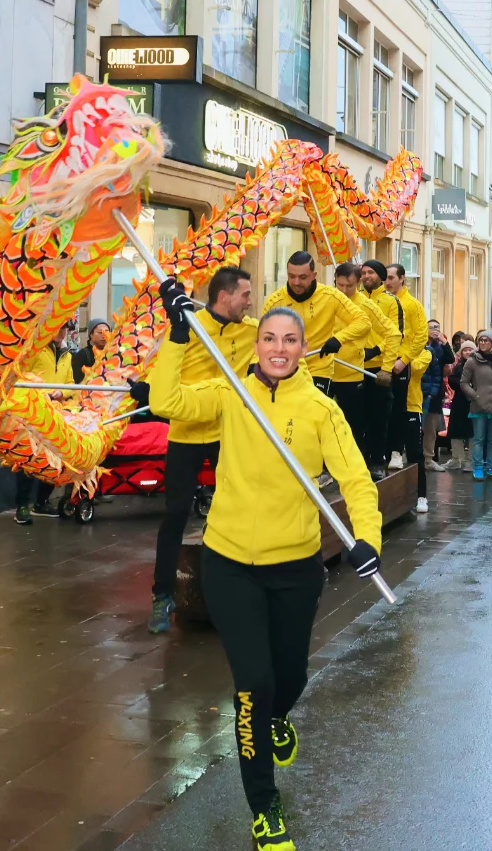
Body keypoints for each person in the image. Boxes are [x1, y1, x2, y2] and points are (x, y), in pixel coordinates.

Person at [149, 290, 383, 851]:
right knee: (253, 685)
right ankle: (264, 804)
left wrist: (366, 539)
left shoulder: (321, 409)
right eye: (270, 338)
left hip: (296, 567)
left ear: (303, 348)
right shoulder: (232, 394)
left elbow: (354, 480)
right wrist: (179, 337)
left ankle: (278, 717)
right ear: (257, 344)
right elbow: (166, 400)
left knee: (290, 678)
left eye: (290, 340)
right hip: (229, 564)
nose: (279, 349)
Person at [140, 265, 257, 633]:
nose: (250, 302)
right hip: (187, 433)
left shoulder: (252, 331)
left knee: (237, 510)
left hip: (228, 433)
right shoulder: (187, 327)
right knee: (175, 515)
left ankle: (239, 590)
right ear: (224, 296)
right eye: (245, 295)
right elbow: (158, 374)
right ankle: (162, 597)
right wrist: (145, 388)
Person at [262, 252, 370, 397]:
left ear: (314, 275)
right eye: (291, 276)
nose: (296, 282)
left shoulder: (330, 296)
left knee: (313, 412)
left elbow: (363, 321)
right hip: (285, 367)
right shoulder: (274, 301)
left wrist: (338, 339)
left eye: (303, 277)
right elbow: (262, 337)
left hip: (319, 368)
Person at [330, 262, 400, 470]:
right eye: (339, 285)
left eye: (349, 286)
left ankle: (369, 464)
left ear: (358, 282)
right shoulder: (326, 299)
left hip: (353, 374)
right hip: (324, 370)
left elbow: (394, 334)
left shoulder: (367, 306)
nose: (343, 291)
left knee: (358, 424)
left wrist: (387, 367)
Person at [12, 324, 74, 524]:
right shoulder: (34, 351)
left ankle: (42, 501)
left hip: (55, 414)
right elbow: (19, 377)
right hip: (32, 412)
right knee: (28, 459)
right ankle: (22, 506)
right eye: (59, 327)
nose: (62, 331)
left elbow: (71, 384)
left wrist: (61, 393)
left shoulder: (67, 354)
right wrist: (40, 395)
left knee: (53, 459)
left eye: (66, 328)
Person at [357, 260, 407, 478]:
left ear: (380, 276)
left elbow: (397, 334)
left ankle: (378, 460)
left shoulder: (390, 301)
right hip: (353, 366)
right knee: (358, 418)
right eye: (363, 273)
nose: (366, 276)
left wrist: (377, 352)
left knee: (379, 418)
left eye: (370, 272)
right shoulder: (354, 299)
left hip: (379, 369)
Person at [384, 263, 428, 470]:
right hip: (383, 364)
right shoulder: (382, 302)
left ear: (402, 279)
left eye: (391, 277)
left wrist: (405, 359)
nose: (387, 282)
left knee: (400, 413)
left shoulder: (412, 305)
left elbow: (420, 335)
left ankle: (397, 453)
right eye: (386, 278)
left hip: (402, 367)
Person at [459, 330, 492, 481]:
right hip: (478, 406)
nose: (483, 343)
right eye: (481, 340)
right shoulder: (472, 361)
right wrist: (475, 395)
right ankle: (478, 467)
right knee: (479, 439)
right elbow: (464, 382)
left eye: (487, 340)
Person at [420, 320, 455, 471]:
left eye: (437, 328)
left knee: (431, 428)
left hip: (434, 393)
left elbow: (450, 359)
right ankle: (414, 458)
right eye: (431, 327)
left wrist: (444, 341)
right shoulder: (419, 343)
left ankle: (428, 458)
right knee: (413, 426)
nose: (434, 330)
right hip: (417, 391)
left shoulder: (440, 347)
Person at [402, 344, 432, 513]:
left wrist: (402, 358)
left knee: (415, 452)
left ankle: (421, 495)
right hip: (392, 405)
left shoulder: (425, 353)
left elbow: (414, 368)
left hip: (412, 406)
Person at [446, 340, 476, 471]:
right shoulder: (458, 366)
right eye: (465, 350)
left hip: (474, 402)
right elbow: (452, 380)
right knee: (456, 432)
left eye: (470, 349)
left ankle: (469, 461)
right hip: (459, 403)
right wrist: (464, 386)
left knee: (472, 433)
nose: (468, 352)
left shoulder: (478, 365)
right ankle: (456, 459)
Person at [72, 318, 111, 384]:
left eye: (107, 332)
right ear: (91, 335)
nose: (104, 335)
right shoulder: (83, 354)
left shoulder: (113, 353)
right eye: (100, 332)